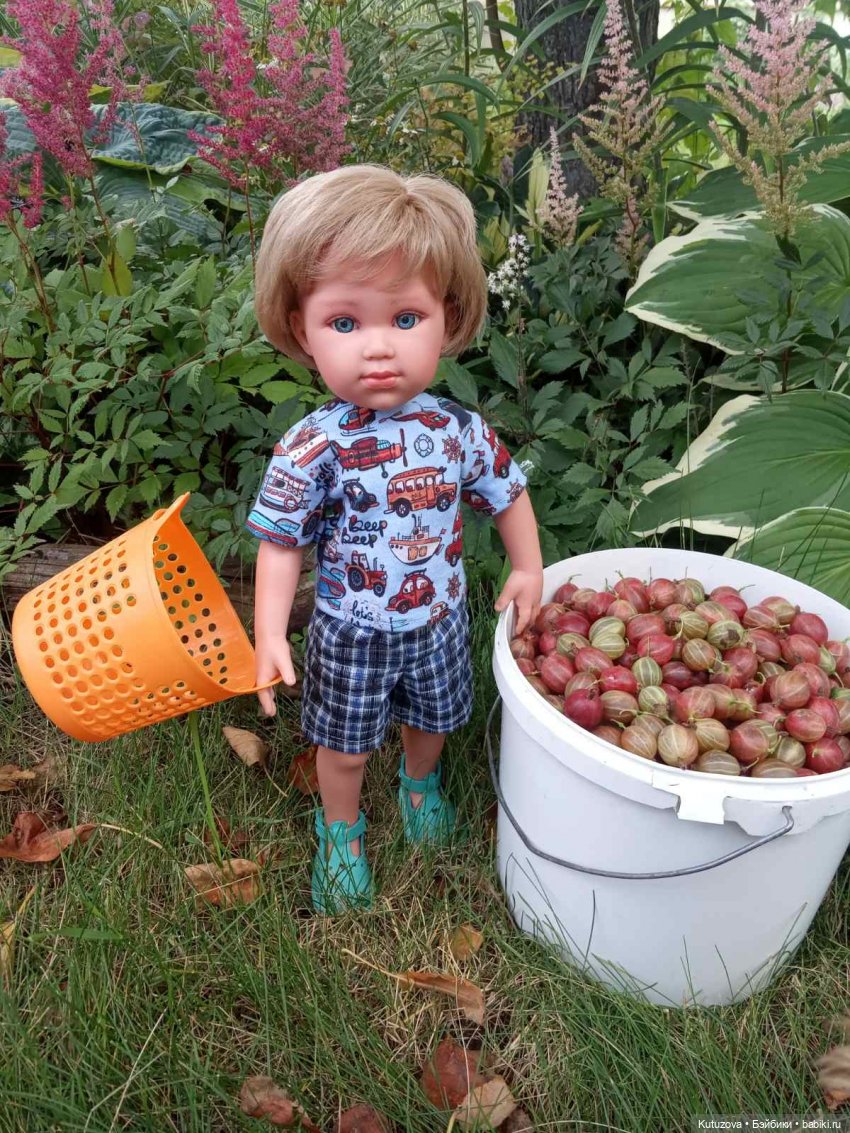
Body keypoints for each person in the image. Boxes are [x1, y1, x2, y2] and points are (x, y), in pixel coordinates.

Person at [248, 164, 543, 914]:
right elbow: (281, 542)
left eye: (405, 318)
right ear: (301, 329)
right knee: (343, 747)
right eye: (345, 323)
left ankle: (420, 785)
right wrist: (270, 632)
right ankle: (340, 827)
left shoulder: (457, 430)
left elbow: (507, 489)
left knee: (433, 720)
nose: (378, 347)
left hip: (438, 616)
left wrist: (528, 564)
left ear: (448, 317)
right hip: (352, 630)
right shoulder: (312, 447)